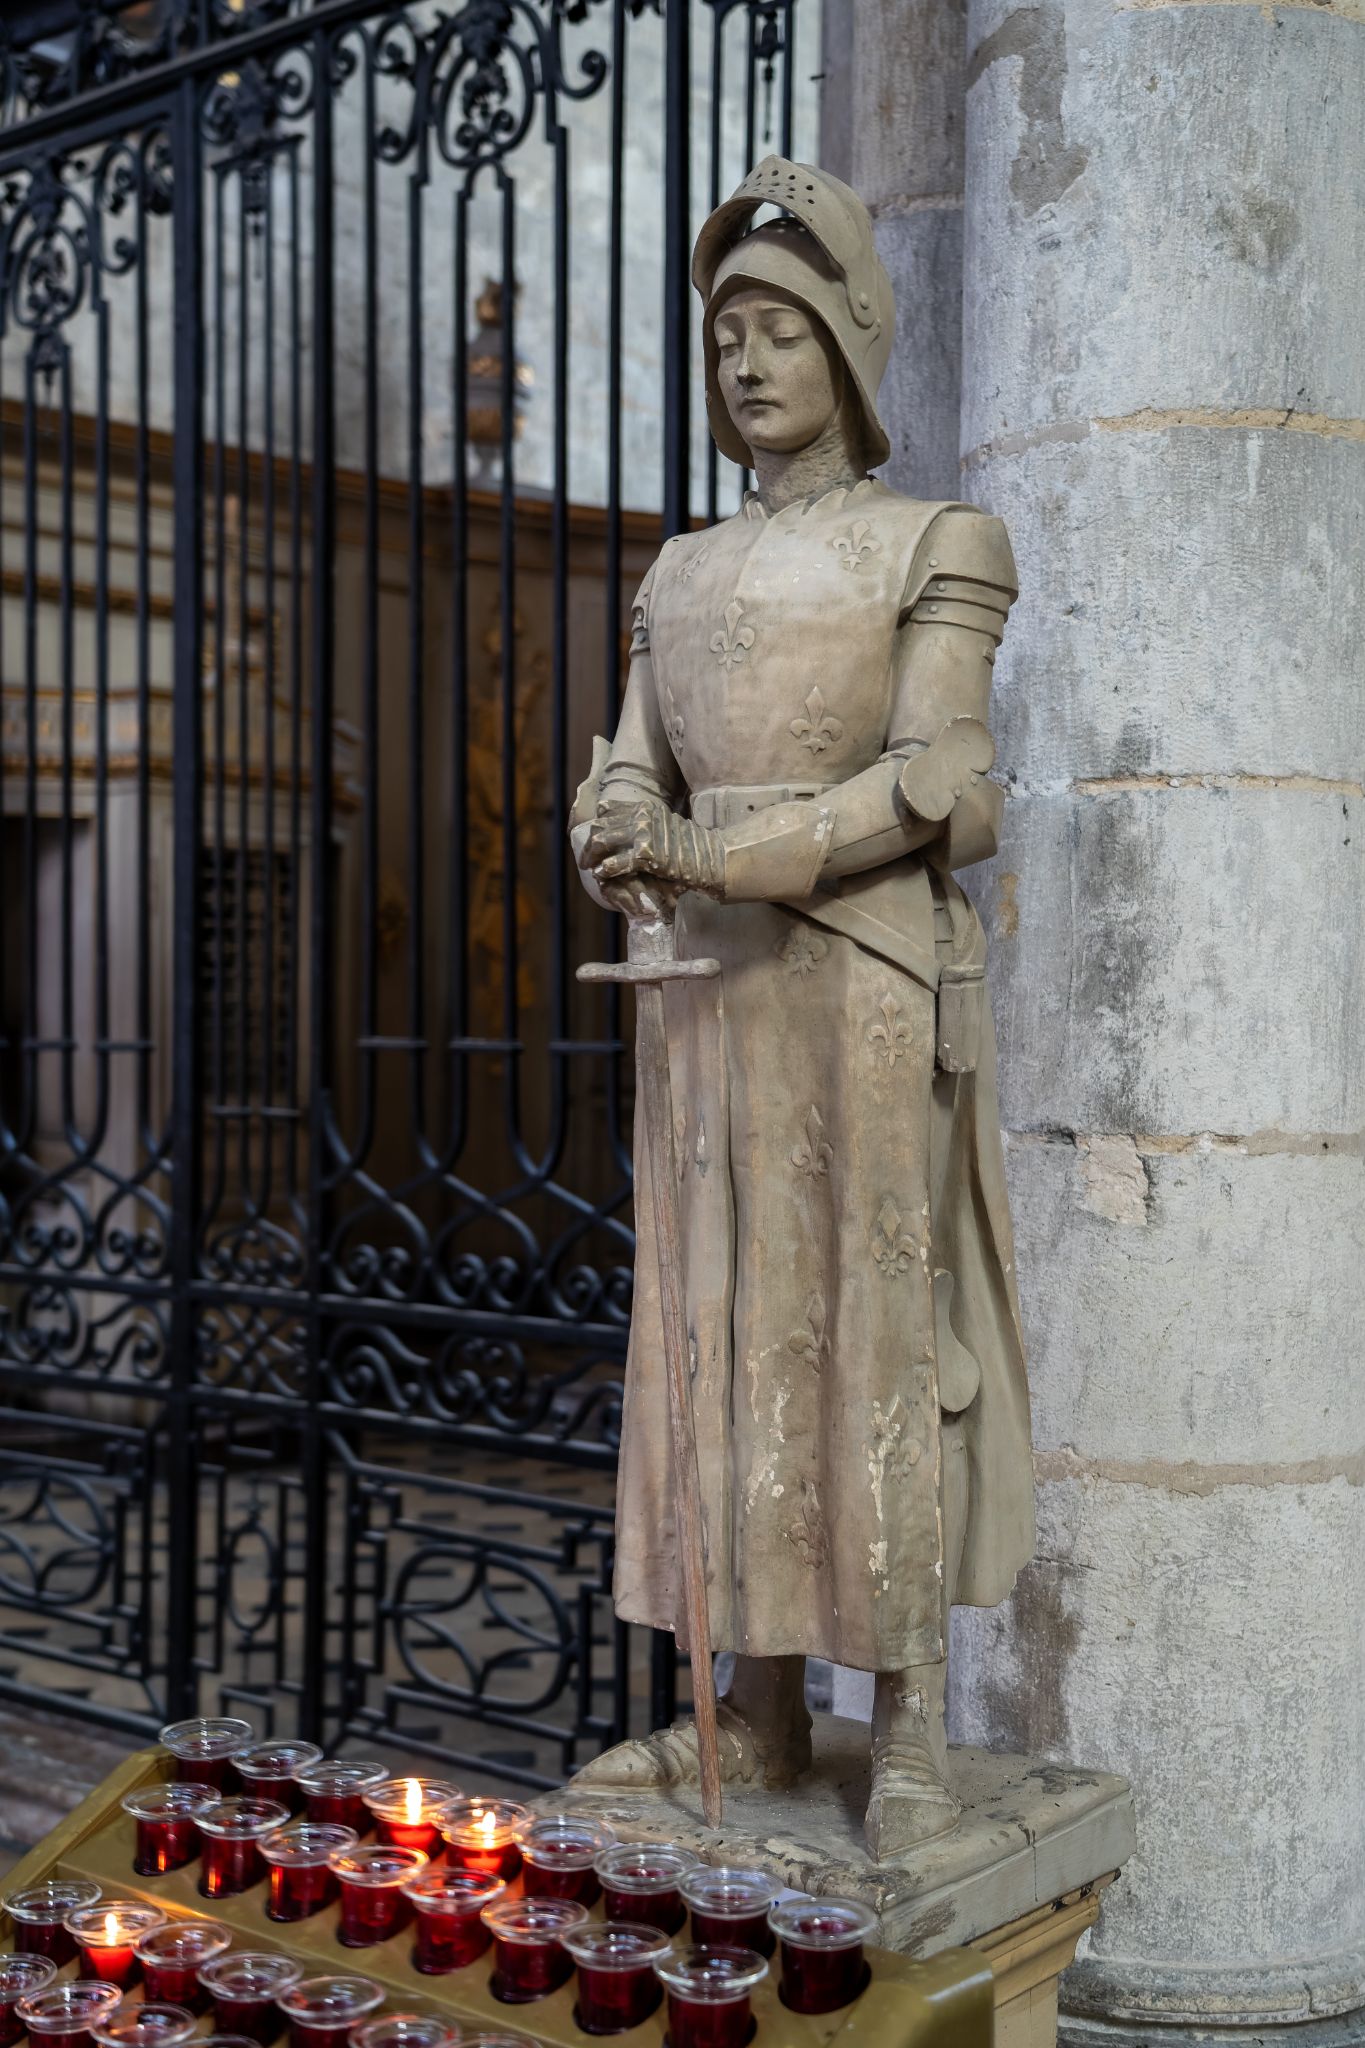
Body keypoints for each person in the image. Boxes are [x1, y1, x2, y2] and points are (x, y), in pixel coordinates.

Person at [570, 156, 1033, 1859]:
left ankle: (906, 1731)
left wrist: (719, 849)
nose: (748, 364)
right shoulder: (679, 570)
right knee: (716, 1322)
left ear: (848, 339)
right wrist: (616, 828)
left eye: (779, 330)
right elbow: (633, 759)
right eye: (725, 338)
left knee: (871, 1330)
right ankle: (754, 1711)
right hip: (702, 994)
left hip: (860, 981)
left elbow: (940, 782)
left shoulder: (937, 540)